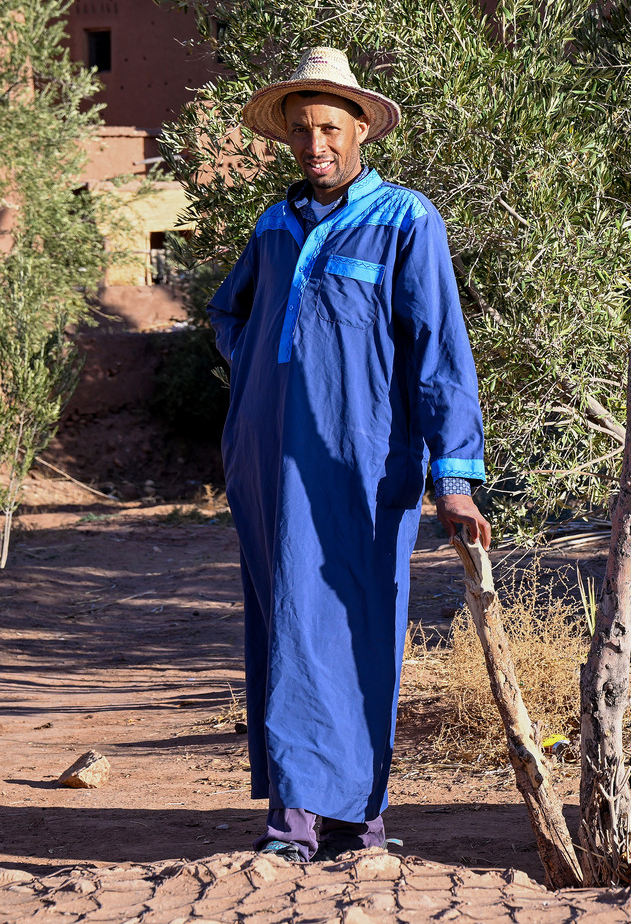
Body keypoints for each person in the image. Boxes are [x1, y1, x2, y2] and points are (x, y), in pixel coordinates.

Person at [209, 46, 492, 863]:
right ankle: (293, 824)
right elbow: (231, 316)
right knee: (283, 624)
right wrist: (268, 378)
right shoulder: (273, 223)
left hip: (363, 464)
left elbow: (439, 348)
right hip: (268, 464)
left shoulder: (407, 219)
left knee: (354, 625)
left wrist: (456, 474)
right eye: (300, 130)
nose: (314, 144)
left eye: (330, 126)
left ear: (361, 127)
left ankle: (354, 822)